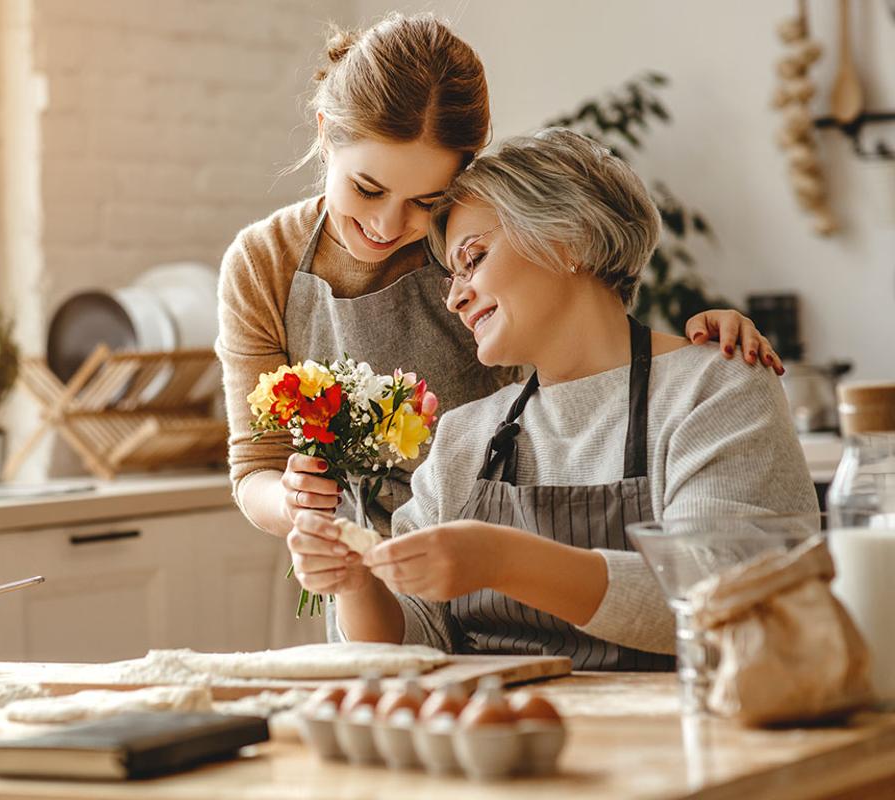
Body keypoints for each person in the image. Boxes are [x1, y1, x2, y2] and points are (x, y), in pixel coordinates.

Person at [216, 14, 781, 546]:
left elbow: (583, 369)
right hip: (363, 571)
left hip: (502, 551)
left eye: (426, 200)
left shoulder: (479, 238)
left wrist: (691, 355)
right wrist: (296, 502)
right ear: (324, 133)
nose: (388, 225)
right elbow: (255, 466)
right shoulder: (264, 264)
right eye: (367, 189)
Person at [287, 128, 819, 666]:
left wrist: (502, 559)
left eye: (473, 258)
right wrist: (356, 583)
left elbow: (723, 597)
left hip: (680, 735)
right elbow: (413, 639)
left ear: (569, 239)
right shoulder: (465, 436)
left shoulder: (714, 388)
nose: (454, 297)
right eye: (451, 274)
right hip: (505, 739)